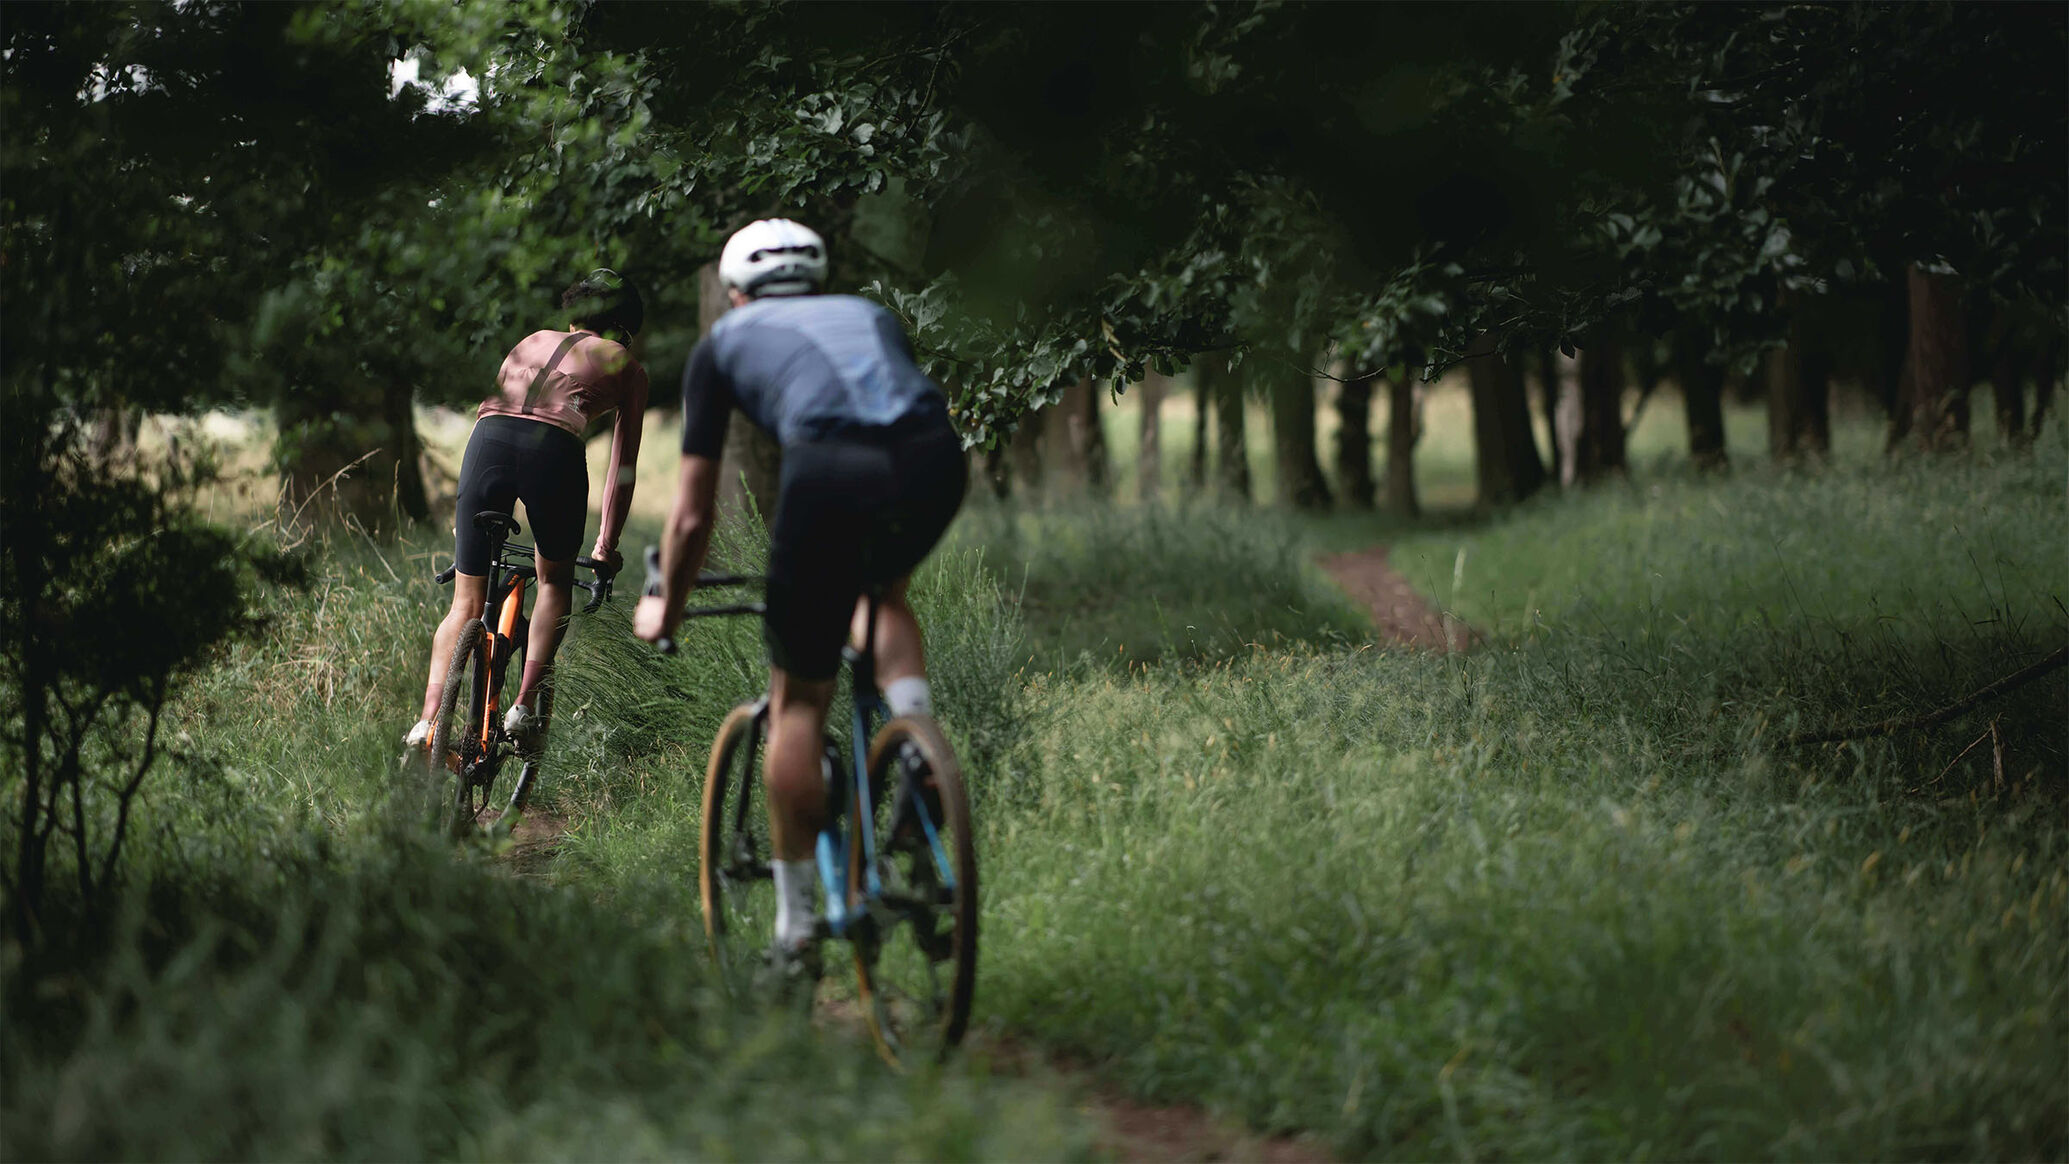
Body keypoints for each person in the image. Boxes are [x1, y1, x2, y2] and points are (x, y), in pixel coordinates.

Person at [633, 219, 966, 977]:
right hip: (932, 459)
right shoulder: (870, 315)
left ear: (732, 292)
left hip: (830, 471)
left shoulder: (719, 346)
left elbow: (689, 515)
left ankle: (794, 932)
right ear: (815, 278)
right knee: (878, 596)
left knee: (799, 702)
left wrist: (666, 606)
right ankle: (915, 741)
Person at [407, 269, 650, 754]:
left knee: (464, 603)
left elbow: (498, 408)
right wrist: (605, 548)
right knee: (555, 581)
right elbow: (622, 466)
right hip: (552, 453)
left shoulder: (532, 338)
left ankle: (426, 724)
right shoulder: (625, 364)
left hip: (486, 443)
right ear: (623, 328)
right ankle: (522, 706)